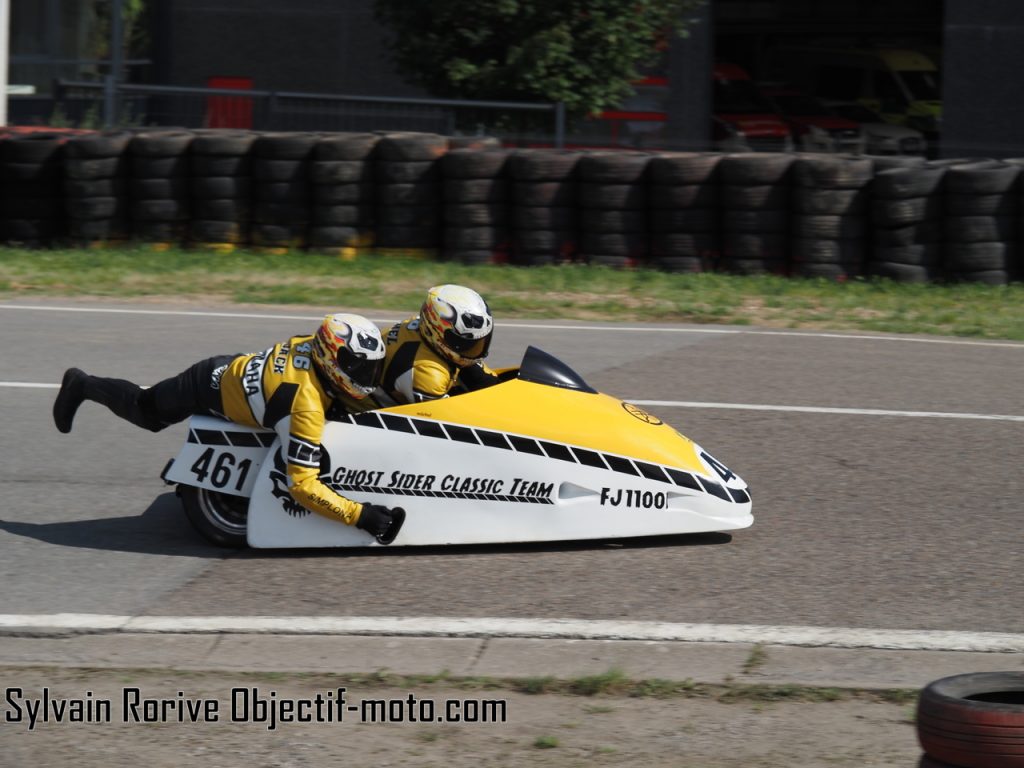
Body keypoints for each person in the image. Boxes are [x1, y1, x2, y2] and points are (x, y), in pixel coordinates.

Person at [52, 313, 404, 543]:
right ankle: (82, 384)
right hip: (206, 383)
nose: (366, 377)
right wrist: (359, 515)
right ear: (329, 359)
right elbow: (301, 485)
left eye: (370, 368)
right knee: (146, 413)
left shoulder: (312, 347)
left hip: (247, 372)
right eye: (359, 367)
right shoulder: (304, 407)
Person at [374, 284, 501, 406]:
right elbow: (450, 420)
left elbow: (490, 384)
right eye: (464, 344)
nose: (474, 351)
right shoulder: (429, 373)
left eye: (479, 342)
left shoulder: (422, 325)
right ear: (434, 331)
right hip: (375, 417)